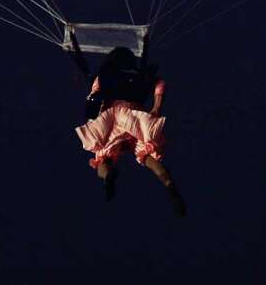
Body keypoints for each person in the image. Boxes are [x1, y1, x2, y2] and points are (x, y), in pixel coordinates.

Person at [72, 45, 186, 216]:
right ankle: (169, 184)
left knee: (104, 158)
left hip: (113, 118)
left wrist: (93, 116)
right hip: (135, 116)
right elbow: (160, 84)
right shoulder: (140, 76)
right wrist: (156, 107)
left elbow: (94, 97)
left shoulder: (103, 76)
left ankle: (107, 178)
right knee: (147, 155)